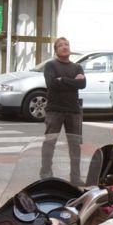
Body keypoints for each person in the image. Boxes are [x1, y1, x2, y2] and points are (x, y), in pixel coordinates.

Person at [40, 37, 86, 183]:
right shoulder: (50, 65)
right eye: (60, 45)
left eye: (67, 44)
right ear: (56, 50)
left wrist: (63, 80)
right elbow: (52, 84)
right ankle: (46, 174)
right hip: (55, 110)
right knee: (50, 142)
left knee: (75, 146)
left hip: (74, 110)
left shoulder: (77, 67)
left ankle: (75, 178)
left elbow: (83, 84)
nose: (64, 47)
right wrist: (73, 82)